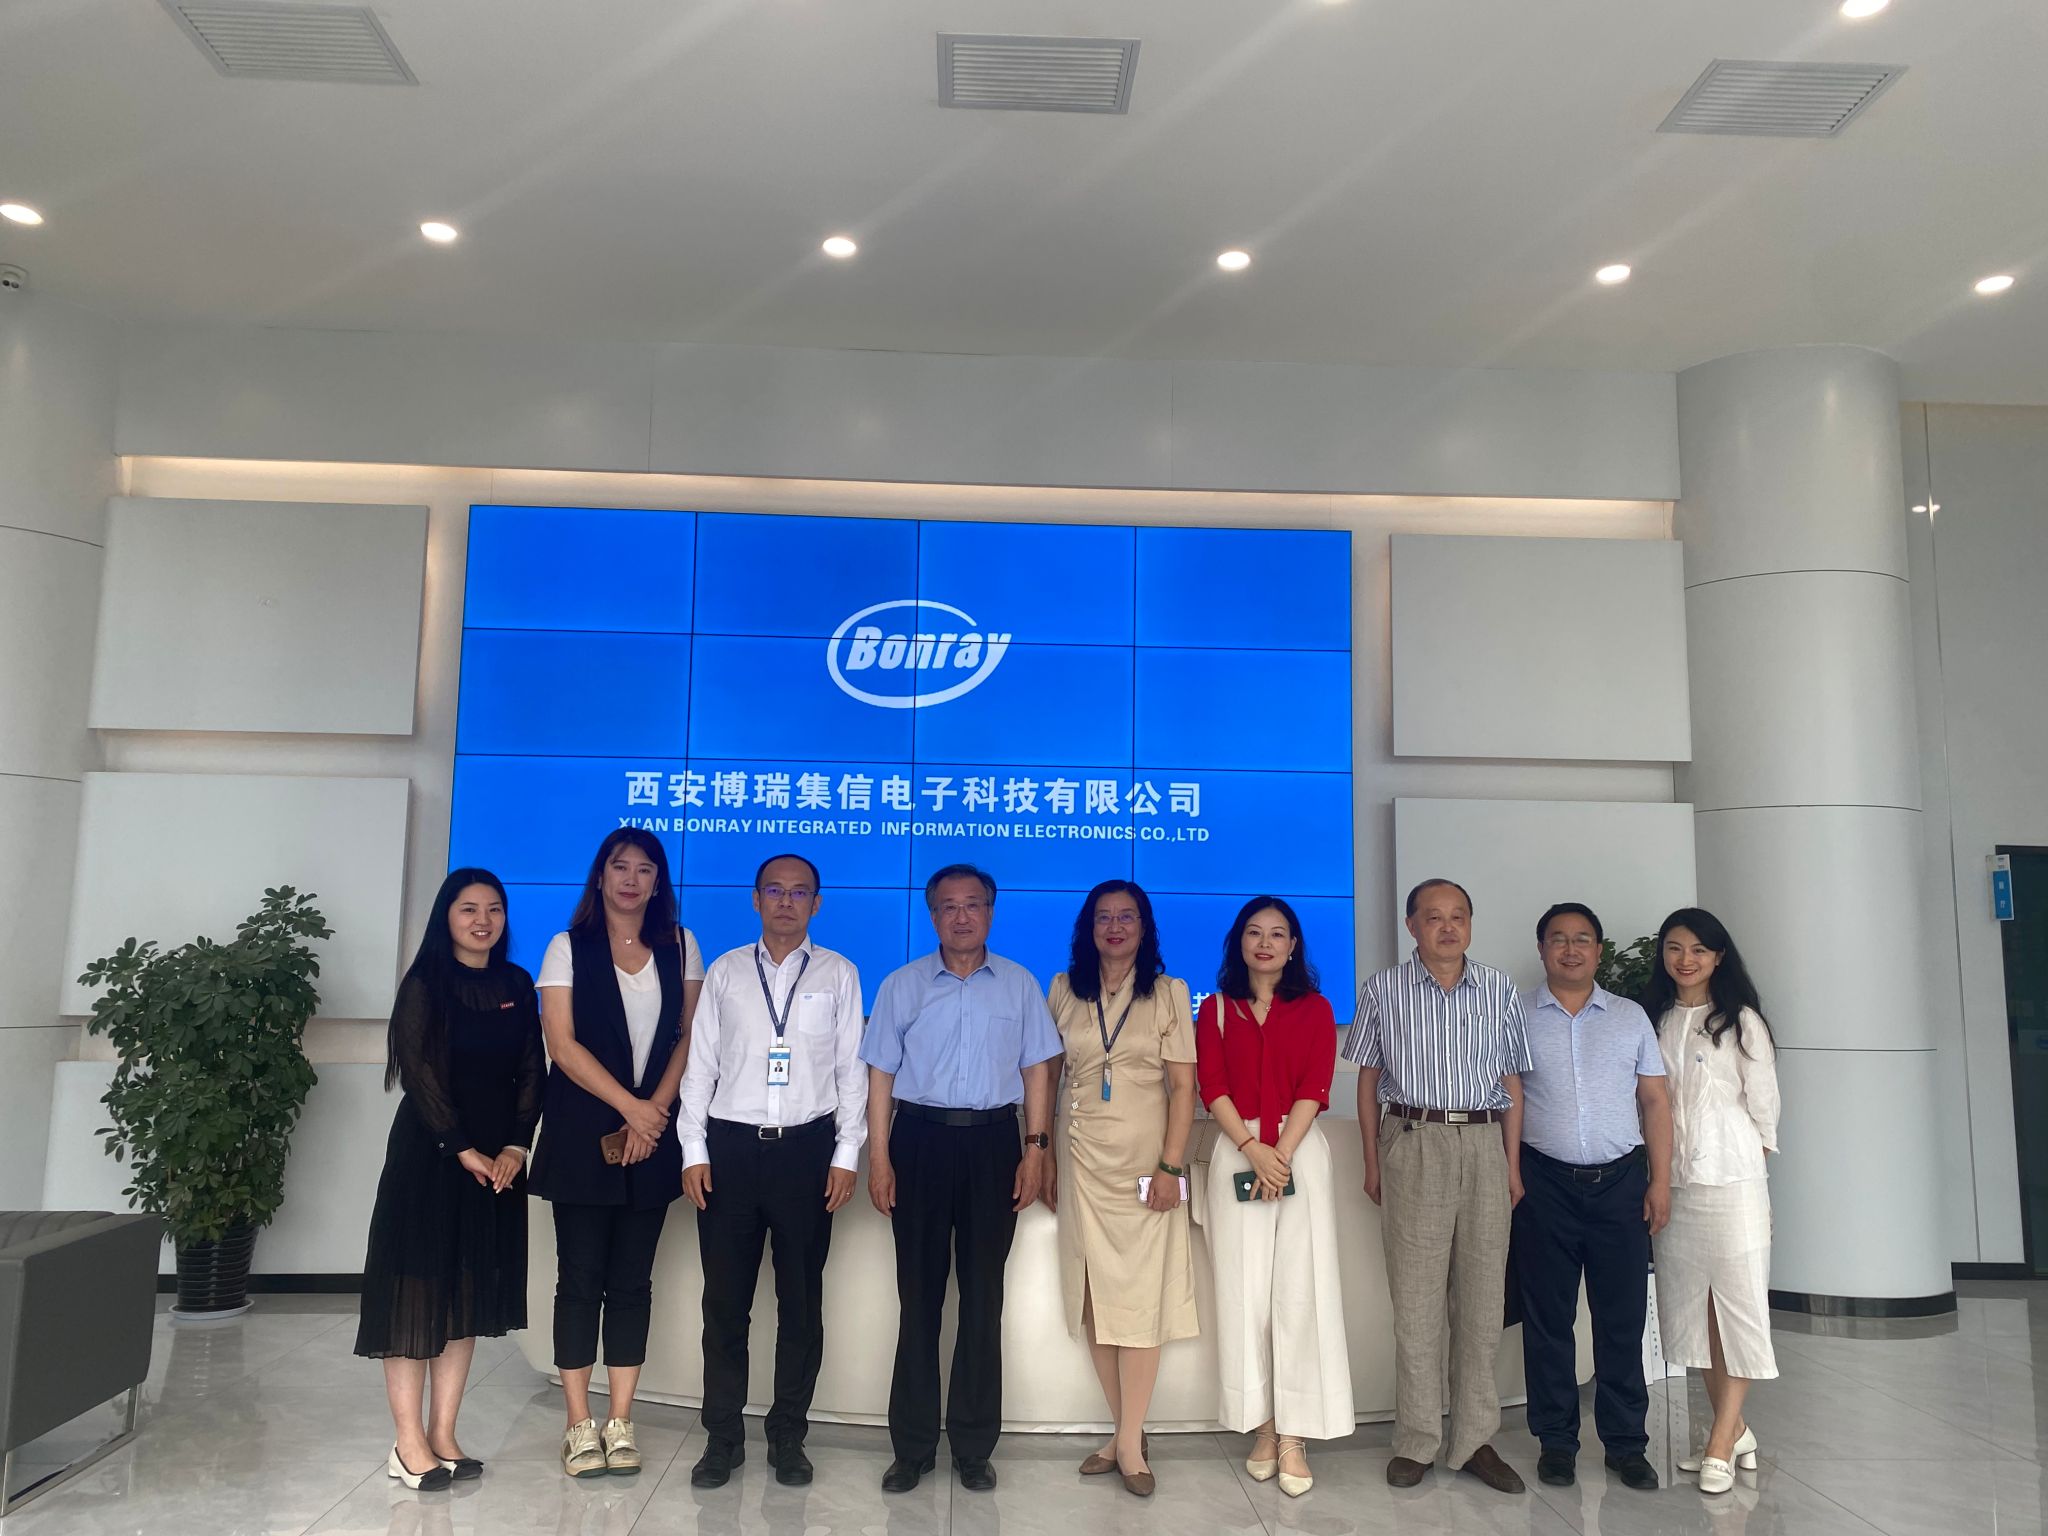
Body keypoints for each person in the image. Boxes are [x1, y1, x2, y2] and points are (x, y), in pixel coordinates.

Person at [861, 864, 1062, 1495]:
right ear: (933, 917)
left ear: (990, 913)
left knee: (982, 1298)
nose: (961, 916)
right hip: (918, 1141)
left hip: (993, 1146)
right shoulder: (902, 985)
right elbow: (879, 1078)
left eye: (973, 905)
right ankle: (912, 1447)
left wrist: (1035, 1150)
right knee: (918, 1298)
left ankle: (974, 1446)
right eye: (948, 906)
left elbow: (1037, 1072)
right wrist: (880, 1158)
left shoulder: (1020, 985)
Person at [678, 854, 866, 1490]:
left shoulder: (839, 973)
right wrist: (694, 1150)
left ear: (817, 903)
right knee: (724, 1303)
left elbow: (851, 1073)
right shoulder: (727, 972)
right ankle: (722, 1437)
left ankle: (788, 1434)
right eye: (775, 891)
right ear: (755, 899)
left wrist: (845, 1155)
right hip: (730, 1151)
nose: (787, 902)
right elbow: (700, 1067)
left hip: (806, 1154)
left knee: (801, 1303)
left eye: (800, 892)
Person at [357, 869, 543, 1491]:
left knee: (466, 1294)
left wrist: (515, 1143)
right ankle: (407, 1442)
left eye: (494, 909)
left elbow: (531, 1069)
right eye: (469, 909)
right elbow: (419, 1073)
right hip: (432, 1157)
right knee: (416, 1291)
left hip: (497, 1165)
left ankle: (443, 1434)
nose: (483, 921)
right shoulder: (425, 984)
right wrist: (462, 1147)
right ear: (446, 916)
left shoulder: (517, 984)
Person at [527, 829, 703, 1479]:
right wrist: (632, 1108)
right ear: (600, 876)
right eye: (619, 867)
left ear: (658, 882)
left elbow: (691, 1037)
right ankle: (578, 1423)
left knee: (632, 1282)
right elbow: (563, 1045)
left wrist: (653, 1112)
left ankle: (620, 1420)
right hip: (583, 1136)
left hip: (653, 1136)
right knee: (578, 1280)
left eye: (645, 869)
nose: (631, 879)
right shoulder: (567, 947)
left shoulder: (680, 944)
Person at [1346, 877, 1531, 1495]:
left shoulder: (1499, 989)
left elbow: (1512, 1083)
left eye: (1458, 916)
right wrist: (1373, 1160)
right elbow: (1367, 1080)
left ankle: (1475, 1439)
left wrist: (1511, 1165)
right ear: (1412, 926)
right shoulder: (1384, 989)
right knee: (1417, 1303)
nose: (1448, 927)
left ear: (1470, 925)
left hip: (1483, 1142)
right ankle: (1417, 1439)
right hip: (1414, 1139)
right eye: (1433, 917)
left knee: (1481, 1302)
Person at [1195, 896, 1353, 1498]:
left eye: (1278, 933)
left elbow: (1315, 1085)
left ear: (1293, 946)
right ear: (1239, 942)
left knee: (1300, 1290)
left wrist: (1279, 1153)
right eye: (1255, 932)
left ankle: (1295, 1434)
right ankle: (1262, 1426)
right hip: (1238, 1150)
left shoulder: (1315, 1008)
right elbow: (1212, 1085)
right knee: (1243, 1292)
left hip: (1299, 1149)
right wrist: (1252, 1149)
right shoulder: (1215, 1010)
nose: (1265, 943)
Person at [1045, 880, 1198, 1499]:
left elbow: (1183, 1089)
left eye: (1126, 917)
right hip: (1080, 1161)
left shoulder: (1168, 993)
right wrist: (1043, 1156)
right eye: (1103, 917)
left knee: (1137, 1303)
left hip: (1144, 1169)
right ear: (1089, 927)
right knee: (1094, 1300)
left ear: (1144, 927)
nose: (1114, 927)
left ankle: (1128, 1442)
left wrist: (1171, 1167)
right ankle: (1124, 1432)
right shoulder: (1064, 989)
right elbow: (1047, 1079)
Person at [1513, 902, 1672, 1491]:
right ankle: (1556, 1442)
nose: (1570, 949)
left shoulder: (1631, 1017)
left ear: (1599, 951)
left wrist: (1659, 1180)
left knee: (1621, 1320)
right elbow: (1509, 1099)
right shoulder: (1515, 1015)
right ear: (1541, 949)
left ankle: (1626, 1445)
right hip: (1543, 1183)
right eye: (1558, 939)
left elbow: (1654, 1101)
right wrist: (1511, 1174)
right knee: (1547, 1320)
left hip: (1621, 1184)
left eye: (1582, 939)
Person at [1641, 907, 1780, 1495]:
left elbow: (1765, 1109)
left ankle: (1720, 1441)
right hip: (1673, 1185)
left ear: (1719, 956)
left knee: (1739, 1309)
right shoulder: (1653, 1018)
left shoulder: (1741, 1021)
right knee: (1695, 1316)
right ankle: (1736, 1429)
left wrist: (1744, 1168)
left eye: (1699, 949)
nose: (1686, 959)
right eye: (1675, 947)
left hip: (1733, 1185)